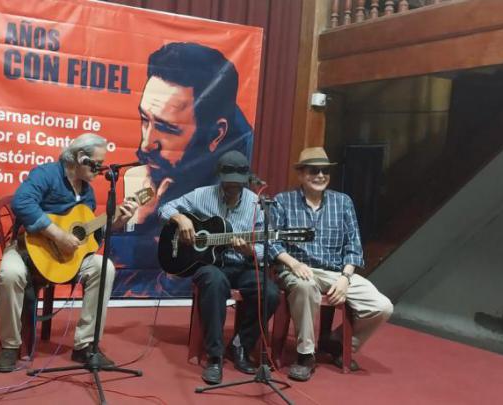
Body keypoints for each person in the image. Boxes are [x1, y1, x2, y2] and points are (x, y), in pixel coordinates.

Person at [114, 42, 255, 297]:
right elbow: (118, 281)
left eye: (166, 128)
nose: (146, 144)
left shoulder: (227, 179)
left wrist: (147, 232)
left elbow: (181, 283)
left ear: (216, 134)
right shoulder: (147, 175)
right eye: (145, 120)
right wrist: (136, 225)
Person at [0, 133, 138, 373]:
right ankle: (10, 345)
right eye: (97, 164)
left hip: (66, 260)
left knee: (104, 267)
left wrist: (117, 222)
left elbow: (89, 237)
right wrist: (57, 235)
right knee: (9, 274)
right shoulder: (46, 173)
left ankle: (85, 346)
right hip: (27, 249)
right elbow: (22, 203)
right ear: (80, 158)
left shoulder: (88, 193)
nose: (101, 169)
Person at [271, 147, 393, 382]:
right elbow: (271, 242)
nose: (320, 175)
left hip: (336, 272)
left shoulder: (343, 202)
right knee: (305, 286)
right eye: (313, 170)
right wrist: (293, 263)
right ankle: (305, 355)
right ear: (301, 174)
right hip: (298, 269)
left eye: (325, 171)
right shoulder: (282, 201)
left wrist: (345, 278)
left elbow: (354, 247)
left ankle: (337, 343)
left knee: (382, 306)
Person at [158, 151, 279, 385]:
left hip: (242, 265)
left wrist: (250, 251)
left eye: (237, 183)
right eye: (228, 182)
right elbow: (164, 208)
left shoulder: (257, 204)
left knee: (271, 293)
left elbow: (266, 246)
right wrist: (180, 219)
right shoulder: (201, 195)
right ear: (219, 177)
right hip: (210, 265)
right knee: (213, 282)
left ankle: (241, 344)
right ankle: (215, 356)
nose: (232, 187)